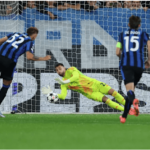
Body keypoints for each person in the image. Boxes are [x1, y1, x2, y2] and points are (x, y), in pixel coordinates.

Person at [42, 63, 137, 115]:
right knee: (106, 100)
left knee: (114, 93)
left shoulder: (71, 69)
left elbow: (75, 77)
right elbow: (63, 96)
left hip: (95, 84)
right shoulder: (62, 84)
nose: (59, 71)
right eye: (57, 70)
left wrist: (66, 81)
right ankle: (127, 111)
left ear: (64, 67)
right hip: (90, 93)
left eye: (60, 68)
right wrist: (53, 94)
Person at [0, 27, 51, 117]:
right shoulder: (29, 41)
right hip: (9, 61)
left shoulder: (16, 33)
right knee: (6, 83)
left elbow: (1, 41)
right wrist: (44, 58)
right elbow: (29, 57)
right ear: (34, 35)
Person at [116, 15, 150, 123]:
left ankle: (134, 101)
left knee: (130, 92)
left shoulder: (122, 35)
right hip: (139, 66)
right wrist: (149, 60)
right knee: (131, 90)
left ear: (128, 24)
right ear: (139, 25)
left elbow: (117, 52)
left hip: (126, 65)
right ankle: (124, 117)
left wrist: (122, 56)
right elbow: (149, 46)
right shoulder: (144, 34)